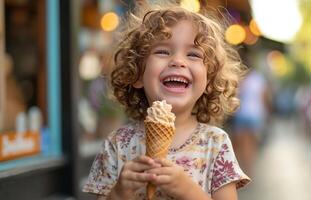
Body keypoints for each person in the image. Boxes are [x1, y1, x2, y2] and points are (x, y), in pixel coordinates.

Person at [83, 3, 250, 200]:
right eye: (162, 51)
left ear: (209, 80)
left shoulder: (215, 144)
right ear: (137, 74)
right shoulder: (117, 144)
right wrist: (119, 193)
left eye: (193, 54)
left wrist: (188, 190)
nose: (178, 61)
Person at [231, 68, 268, 176]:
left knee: (240, 144)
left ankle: (237, 170)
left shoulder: (242, 78)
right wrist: (265, 114)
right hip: (256, 114)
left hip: (242, 113)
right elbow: (263, 98)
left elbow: (236, 95)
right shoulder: (259, 79)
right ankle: (248, 169)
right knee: (252, 144)